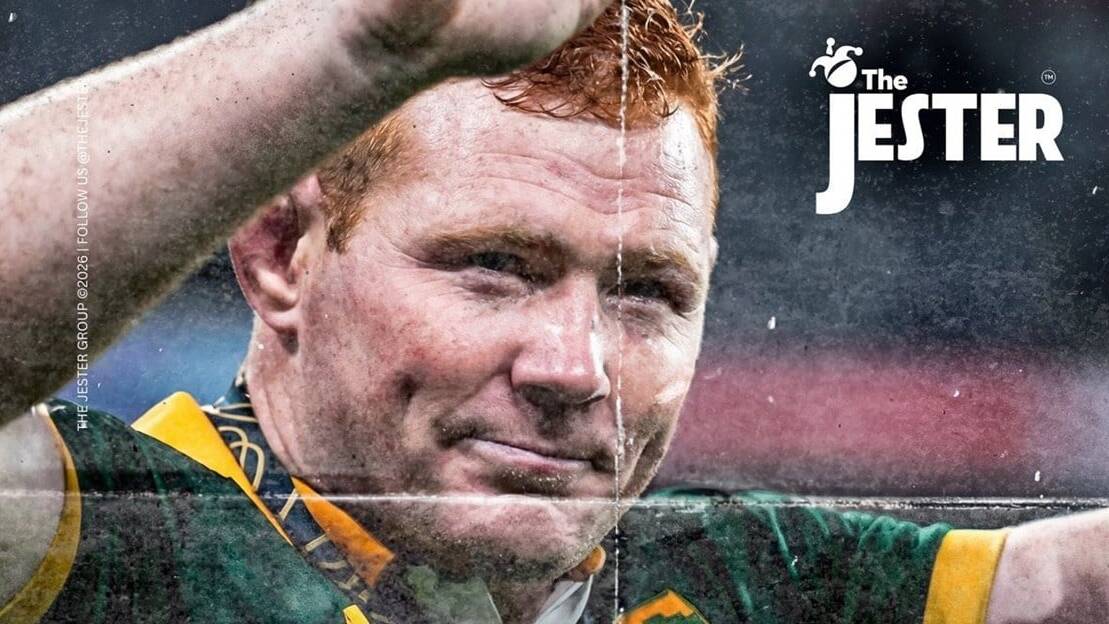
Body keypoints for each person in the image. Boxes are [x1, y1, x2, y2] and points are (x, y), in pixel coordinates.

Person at [0, 1, 1106, 622]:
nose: (575, 367)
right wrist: (367, 37)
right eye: (493, 266)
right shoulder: (110, 546)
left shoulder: (742, 577)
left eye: (646, 292)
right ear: (282, 253)